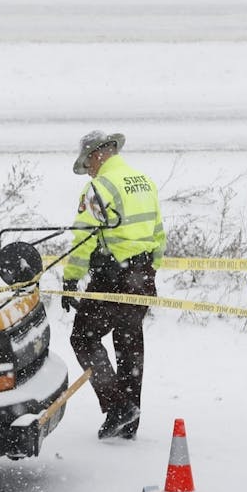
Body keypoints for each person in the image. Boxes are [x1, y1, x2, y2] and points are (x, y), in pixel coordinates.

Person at [61, 130, 166, 440]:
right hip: (142, 277)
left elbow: (83, 237)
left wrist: (71, 277)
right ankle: (129, 422)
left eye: (87, 164)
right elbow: (159, 234)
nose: (88, 170)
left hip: (114, 277)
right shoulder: (144, 182)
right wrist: (148, 271)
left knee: (83, 338)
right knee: (130, 346)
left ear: (97, 155)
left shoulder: (99, 187)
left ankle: (118, 406)